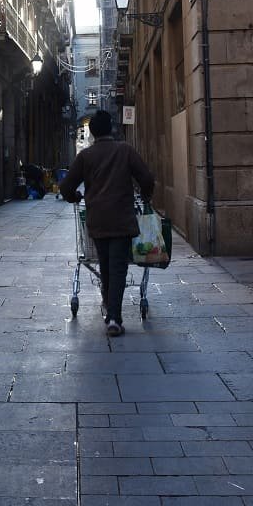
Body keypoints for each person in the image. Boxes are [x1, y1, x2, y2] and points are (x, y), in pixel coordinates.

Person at [59, 110, 155, 337]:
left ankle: (110, 309)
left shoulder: (86, 157)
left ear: (91, 133)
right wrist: (146, 195)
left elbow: (66, 188)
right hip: (122, 219)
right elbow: (147, 179)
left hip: (98, 220)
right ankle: (114, 317)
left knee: (106, 266)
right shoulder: (125, 151)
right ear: (111, 129)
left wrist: (76, 198)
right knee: (118, 267)